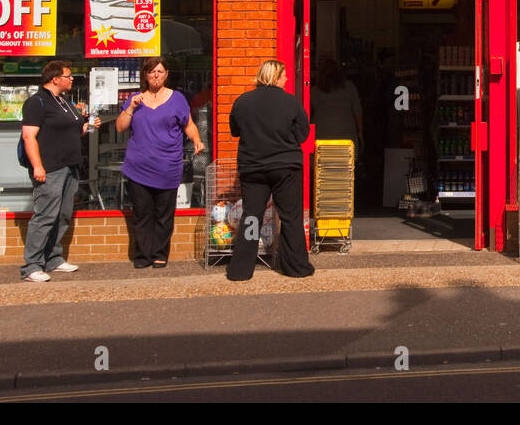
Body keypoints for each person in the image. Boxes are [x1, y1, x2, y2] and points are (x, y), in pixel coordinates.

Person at [225, 58, 315, 281]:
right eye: (284, 75)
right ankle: (296, 267)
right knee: (291, 217)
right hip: (286, 166)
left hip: (253, 167)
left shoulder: (242, 101)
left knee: (251, 216)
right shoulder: (291, 102)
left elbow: (235, 131)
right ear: (276, 76)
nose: (286, 79)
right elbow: (303, 134)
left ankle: (240, 270)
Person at [116, 56, 205, 268]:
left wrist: (197, 140)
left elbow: (189, 124)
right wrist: (130, 109)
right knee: (142, 213)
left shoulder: (177, 99)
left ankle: (159, 253)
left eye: (160, 72)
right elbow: (120, 127)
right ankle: (143, 255)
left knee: (164, 214)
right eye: (151, 72)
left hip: (167, 165)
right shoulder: (135, 99)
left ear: (166, 75)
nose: (156, 75)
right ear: (145, 75)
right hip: (138, 167)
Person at [20, 60, 90, 282]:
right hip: (50, 167)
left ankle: (53, 258)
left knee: (63, 214)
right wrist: (38, 166)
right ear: (55, 79)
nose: (71, 79)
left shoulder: (64, 101)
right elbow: (29, 136)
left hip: (70, 165)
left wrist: (87, 125)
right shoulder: (37, 102)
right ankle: (32, 265)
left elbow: (72, 132)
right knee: (45, 216)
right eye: (68, 76)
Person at [311, 59, 363, 153]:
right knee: (346, 164)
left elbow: (307, 112)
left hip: (322, 137)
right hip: (347, 137)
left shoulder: (315, 91)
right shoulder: (349, 87)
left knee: (322, 165)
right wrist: (360, 133)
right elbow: (357, 111)